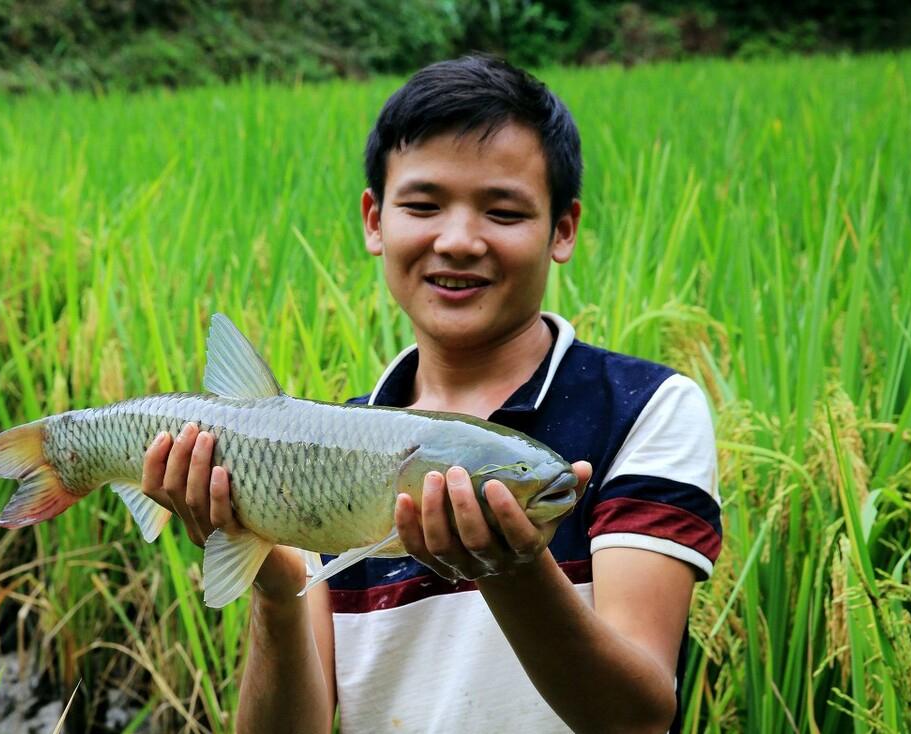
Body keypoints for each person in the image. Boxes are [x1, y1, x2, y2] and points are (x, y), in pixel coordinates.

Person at [140, 55, 721, 733]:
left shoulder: (644, 409)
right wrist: (272, 583)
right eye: (422, 205)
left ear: (562, 229)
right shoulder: (326, 446)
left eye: (503, 211)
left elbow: (636, 719)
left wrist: (510, 567)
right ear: (374, 220)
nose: (458, 241)